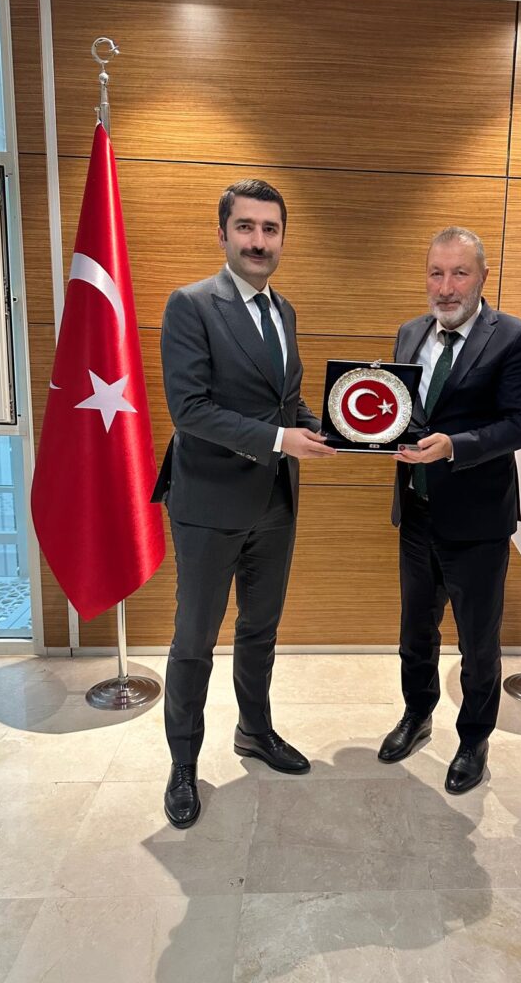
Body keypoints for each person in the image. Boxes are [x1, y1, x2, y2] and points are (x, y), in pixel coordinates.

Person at [152, 179, 335, 828]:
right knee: (195, 639)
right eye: (247, 227)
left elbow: (286, 402)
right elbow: (190, 410)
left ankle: (254, 731)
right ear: (224, 233)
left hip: (275, 501)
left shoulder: (284, 311)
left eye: (271, 229)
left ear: (283, 238)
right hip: (208, 502)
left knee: (260, 628)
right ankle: (183, 762)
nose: (259, 241)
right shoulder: (191, 305)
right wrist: (281, 440)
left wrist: (339, 429)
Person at [378, 226, 521, 794]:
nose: (446, 288)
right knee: (415, 632)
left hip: (477, 522)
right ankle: (417, 714)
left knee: (477, 642)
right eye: (436, 273)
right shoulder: (409, 333)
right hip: (416, 512)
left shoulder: (515, 338)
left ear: (482, 277)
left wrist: (455, 446)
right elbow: (400, 410)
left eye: (459, 274)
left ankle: (474, 739)